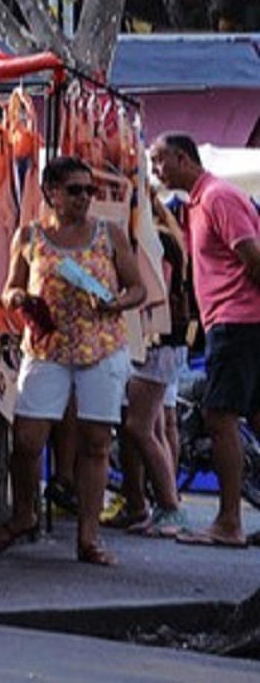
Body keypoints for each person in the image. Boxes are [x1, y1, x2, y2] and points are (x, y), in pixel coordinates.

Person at [0, 155, 146, 566]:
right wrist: (17, 300)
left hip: (100, 346)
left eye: (89, 190)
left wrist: (116, 303)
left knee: (96, 443)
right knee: (26, 439)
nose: (84, 198)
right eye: (75, 190)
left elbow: (138, 287)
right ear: (51, 192)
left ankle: (88, 537)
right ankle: (24, 514)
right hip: (47, 346)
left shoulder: (109, 234)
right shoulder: (30, 236)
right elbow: (9, 289)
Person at [150, 132, 260, 549]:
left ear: (182, 158)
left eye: (161, 161)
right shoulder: (200, 201)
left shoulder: (216, 196)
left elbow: (252, 257)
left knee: (219, 417)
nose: (157, 170)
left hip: (237, 322)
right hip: (234, 322)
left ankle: (229, 521)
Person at [106, 216, 192, 537]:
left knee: (141, 426)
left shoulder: (154, 243)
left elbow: (155, 294)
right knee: (147, 424)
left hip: (158, 344)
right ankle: (141, 504)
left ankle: (169, 506)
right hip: (155, 343)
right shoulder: (158, 239)